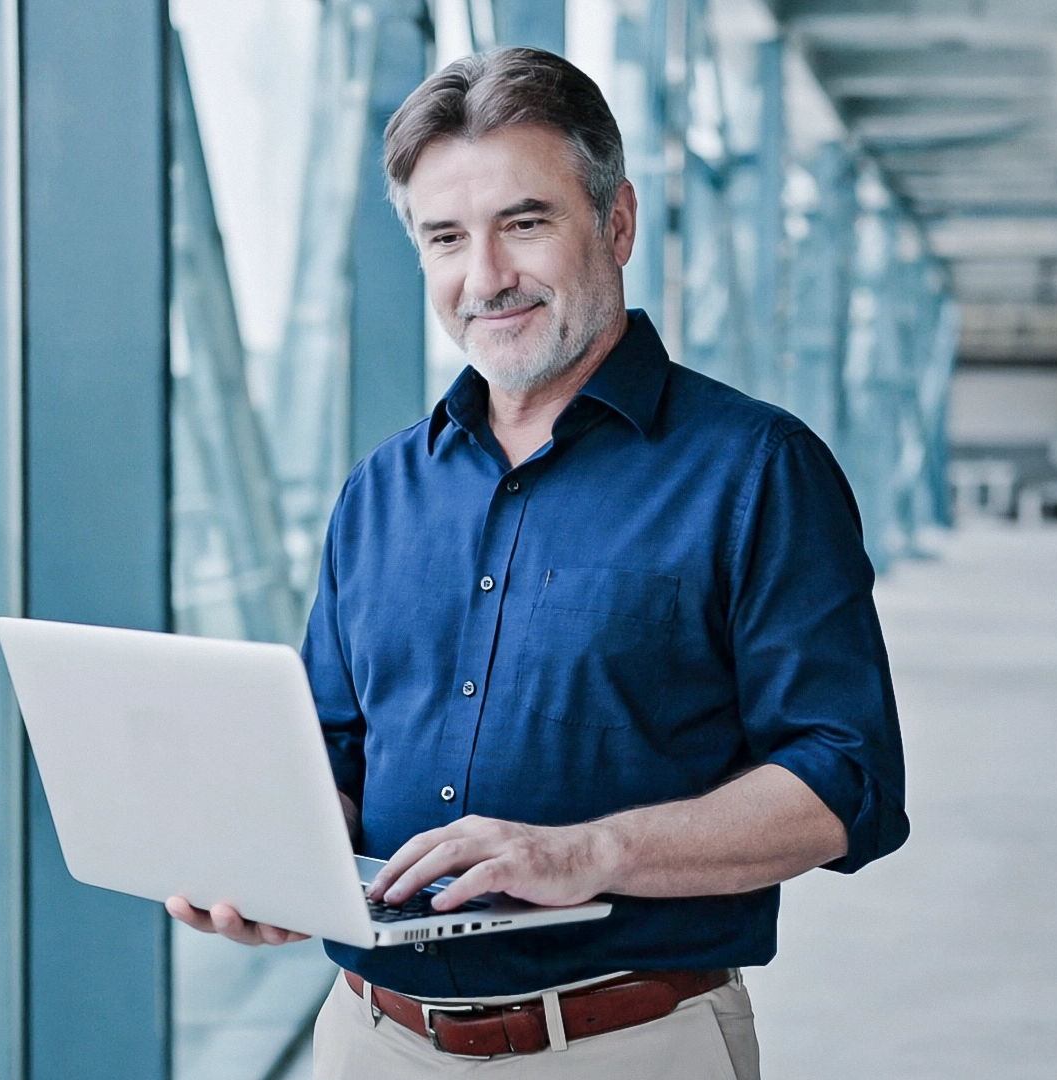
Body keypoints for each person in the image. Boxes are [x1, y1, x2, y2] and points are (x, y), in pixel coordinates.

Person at [168, 47, 907, 1078]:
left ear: (617, 222)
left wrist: (585, 854)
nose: (486, 278)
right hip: (365, 1041)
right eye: (446, 238)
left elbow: (845, 780)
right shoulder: (379, 491)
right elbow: (333, 756)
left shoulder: (755, 470)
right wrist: (274, 857)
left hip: (623, 1045)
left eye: (524, 224)